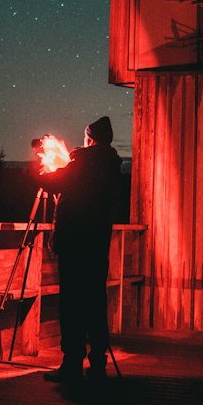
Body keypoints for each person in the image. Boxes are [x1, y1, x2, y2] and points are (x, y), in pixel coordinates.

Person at [37, 116, 123, 382]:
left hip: (75, 243)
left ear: (91, 139)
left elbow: (53, 182)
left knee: (72, 303)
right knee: (95, 302)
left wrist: (41, 170)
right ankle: (98, 362)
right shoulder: (111, 165)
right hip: (98, 244)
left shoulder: (84, 164)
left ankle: (71, 363)